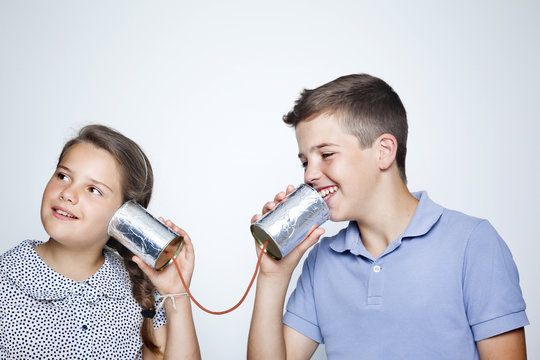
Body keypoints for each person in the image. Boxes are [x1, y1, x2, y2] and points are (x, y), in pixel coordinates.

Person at [247, 74, 528, 359]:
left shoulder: (472, 243)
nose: (309, 174)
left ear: (384, 152)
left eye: (327, 154)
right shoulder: (323, 260)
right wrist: (273, 276)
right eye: (305, 161)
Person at [0, 125, 201, 359]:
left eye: (93, 190)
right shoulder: (7, 280)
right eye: (63, 176)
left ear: (127, 215)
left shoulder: (140, 292)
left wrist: (176, 293)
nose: (68, 193)